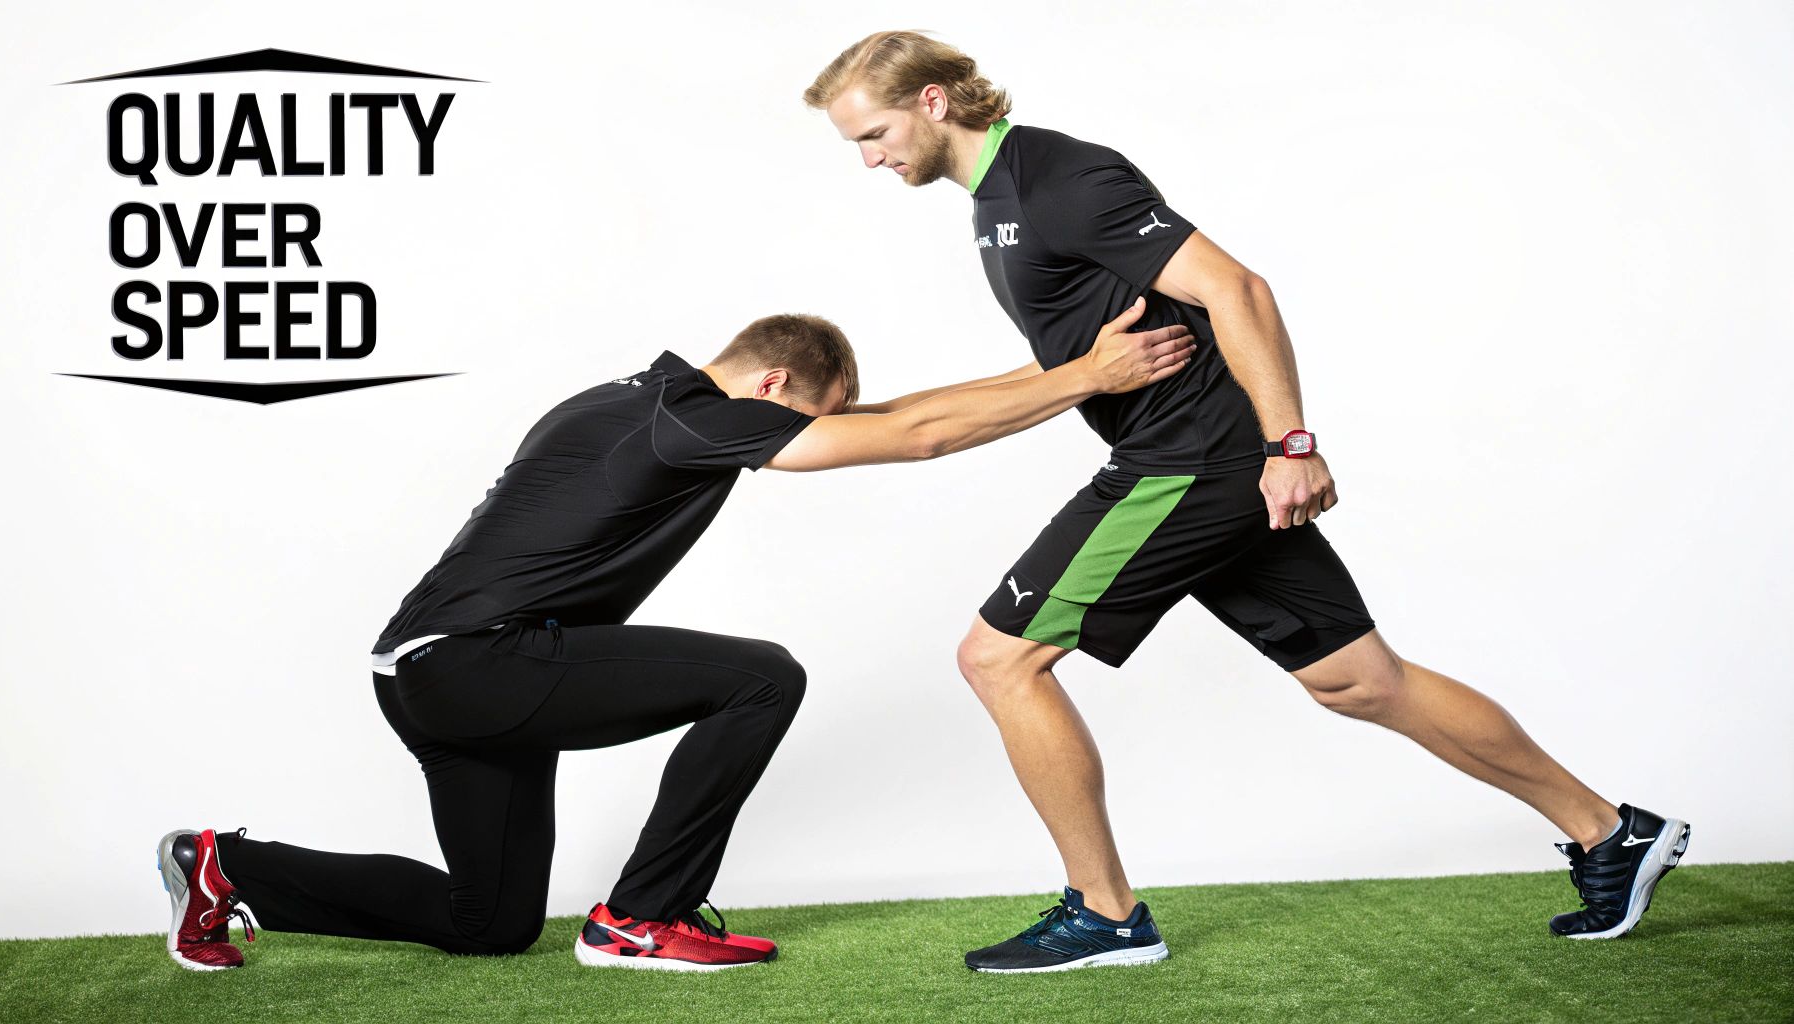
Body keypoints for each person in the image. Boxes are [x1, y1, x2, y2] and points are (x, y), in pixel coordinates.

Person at [804, 31, 1690, 973]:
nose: (870, 158)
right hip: (1199, 462)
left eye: (876, 132)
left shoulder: (1061, 176)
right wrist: (886, 413)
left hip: (1189, 463)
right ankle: (1609, 831)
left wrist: (1290, 443)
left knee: (999, 661)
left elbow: (1236, 288)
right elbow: (1066, 369)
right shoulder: (1000, 202)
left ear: (935, 101)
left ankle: (1105, 917)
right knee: (1359, 680)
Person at [156, 304, 1193, 973]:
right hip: (481, 661)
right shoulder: (688, 414)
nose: (794, 440)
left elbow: (898, 412)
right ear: (775, 390)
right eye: (802, 420)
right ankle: (642, 914)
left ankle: (226, 866)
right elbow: (911, 439)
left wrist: (1061, 368)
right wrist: (1088, 382)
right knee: (760, 679)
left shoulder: (638, 399)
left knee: (490, 922)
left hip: (432, 671)